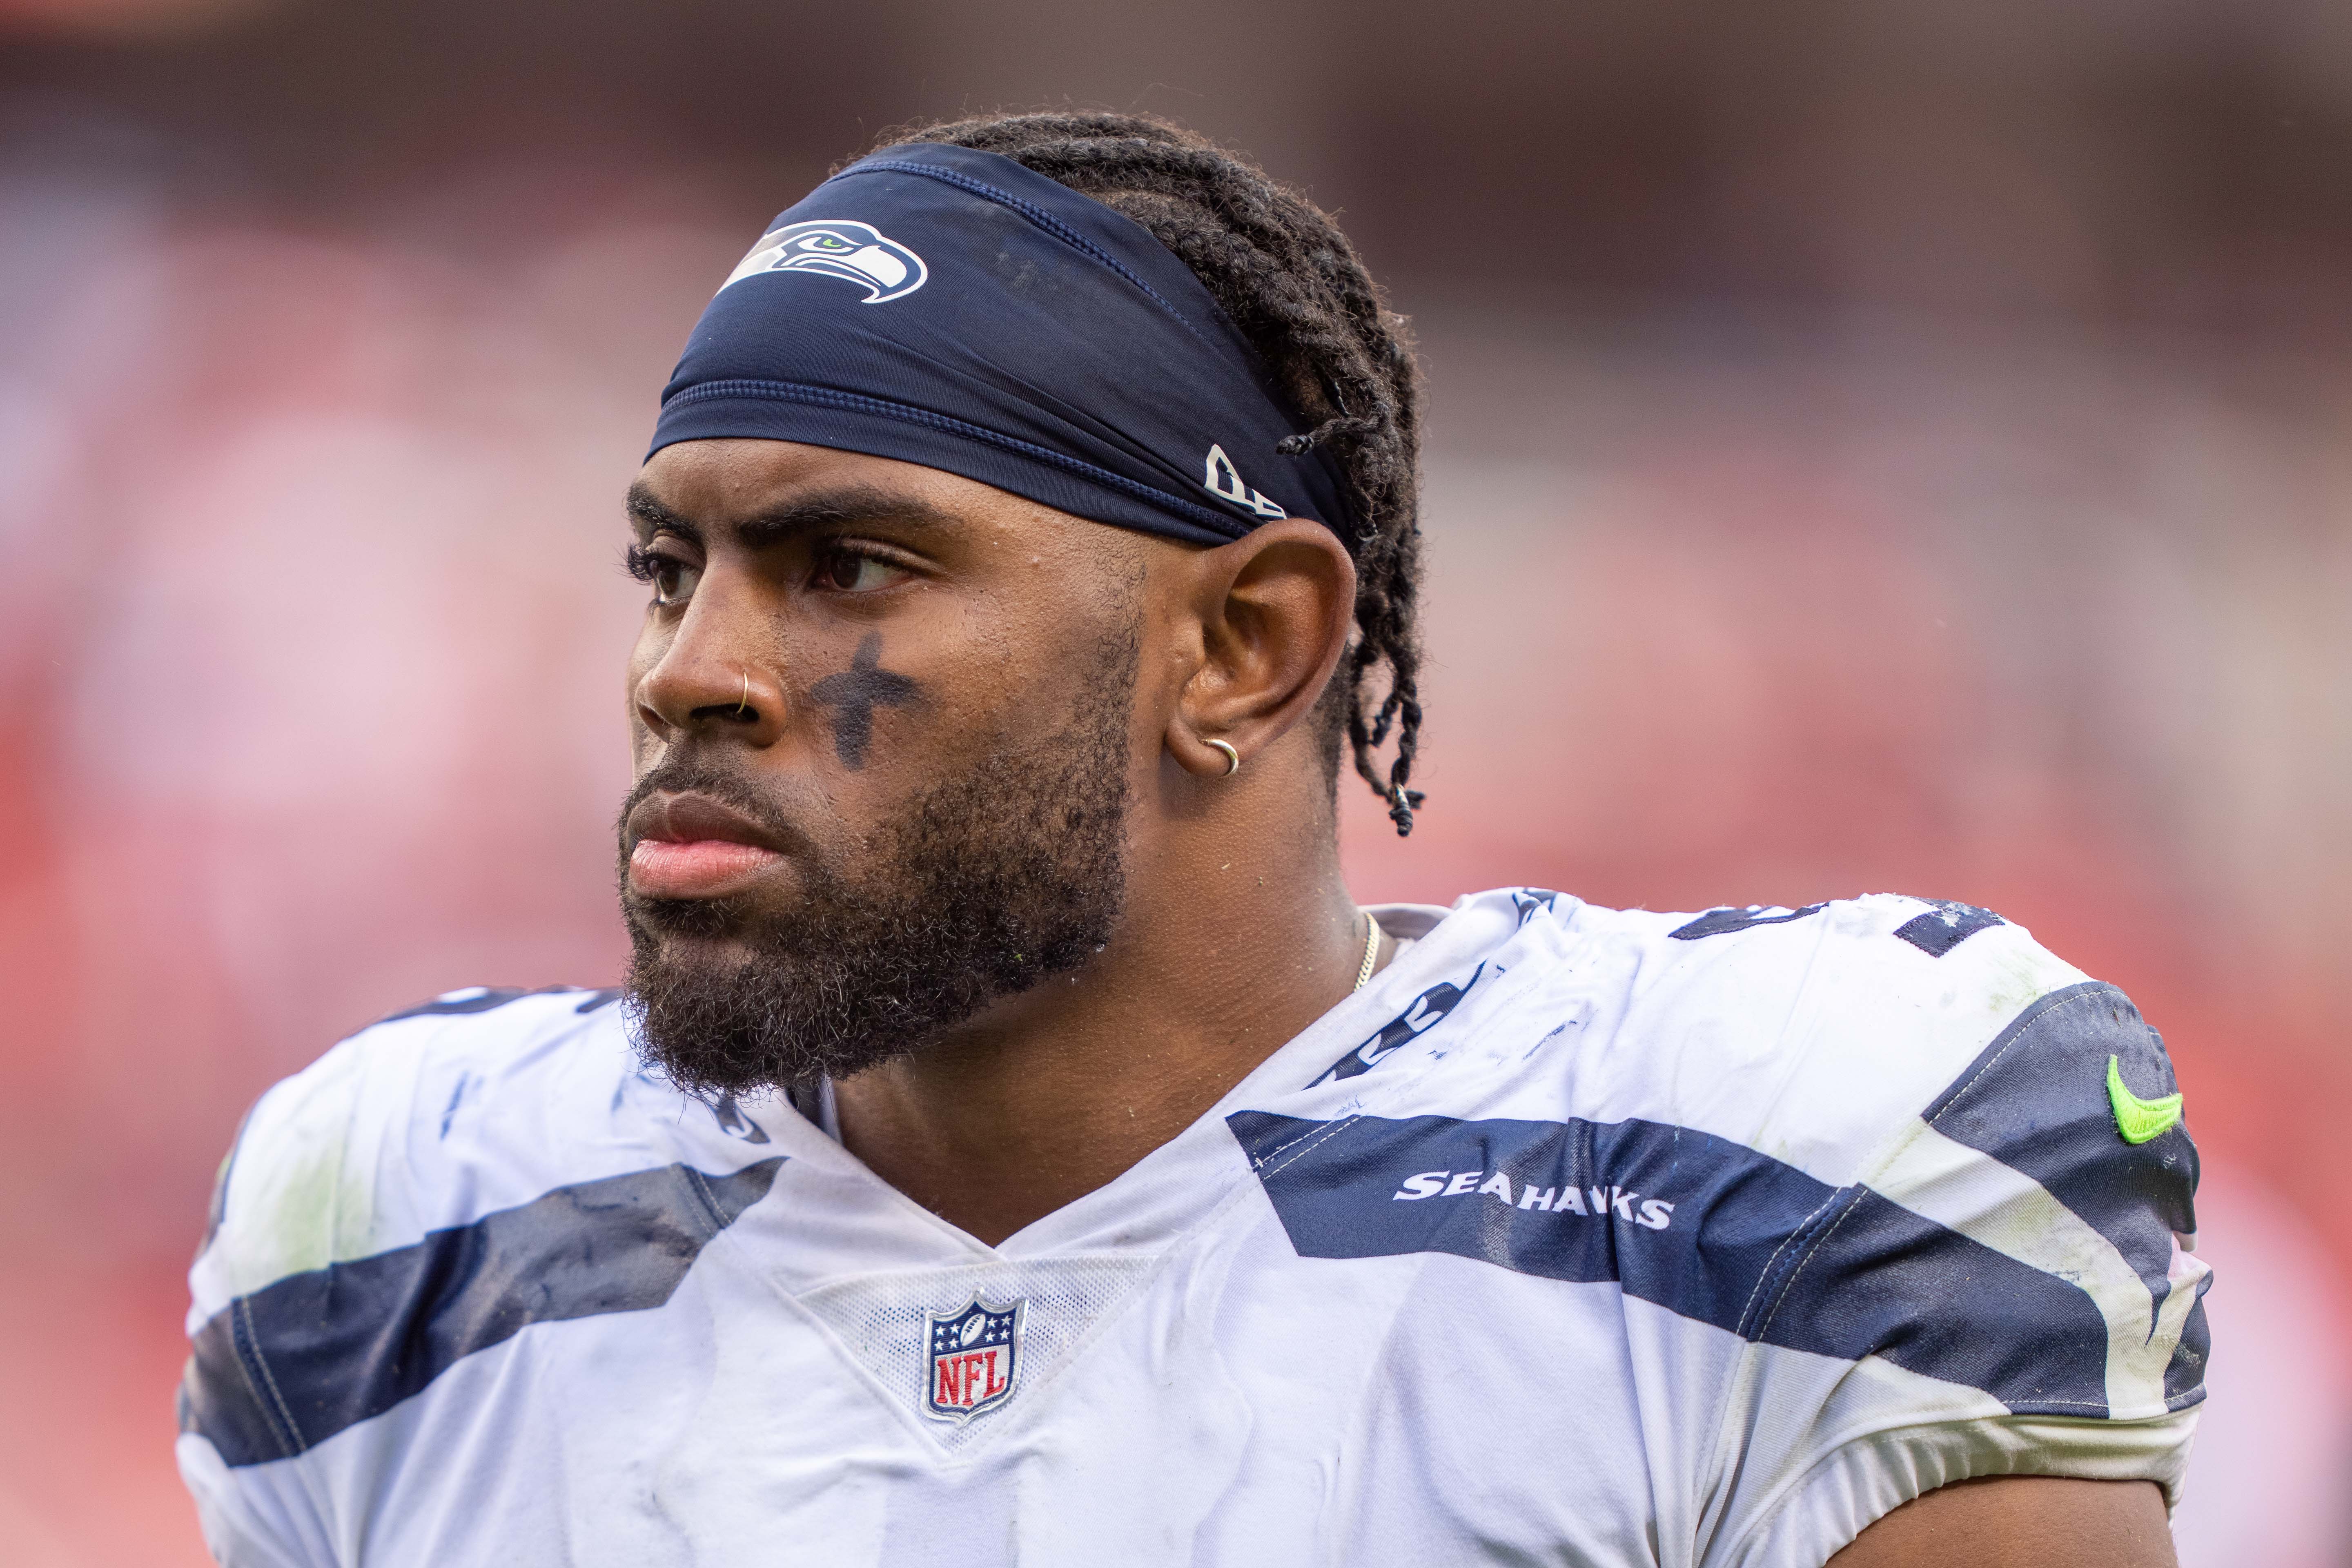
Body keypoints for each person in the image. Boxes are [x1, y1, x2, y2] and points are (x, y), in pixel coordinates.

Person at [175, 112, 2207, 1567]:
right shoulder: (400, 1233)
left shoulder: (1770, 1172)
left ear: (1245, 645)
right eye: (669, 566)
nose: (688, 672)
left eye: (848, 565)